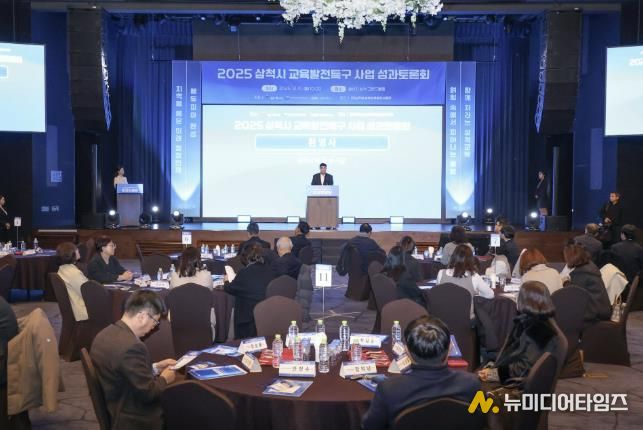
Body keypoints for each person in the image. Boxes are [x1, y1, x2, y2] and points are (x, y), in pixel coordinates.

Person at [362, 315, 480, 430]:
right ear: (450, 348)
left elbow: (370, 426)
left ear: (406, 350)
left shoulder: (389, 389)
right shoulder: (471, 383)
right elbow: (482, 415)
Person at [90, 290, 176, 430]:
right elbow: (149, 393)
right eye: (155, 321)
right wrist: (165, 379)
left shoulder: (105, 334)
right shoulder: (132, 346)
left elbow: (123, 371)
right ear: (142, 317)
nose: (154, 327)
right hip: (136, 418)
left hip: (117, 403)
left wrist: (154, 368)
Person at [478, 281, 561, 384]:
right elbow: (514, 354)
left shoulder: (537, 331)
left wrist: (493, 373)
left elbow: (524, 368)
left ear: (526, 301)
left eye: (519, 296)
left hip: (515, 384)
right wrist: (494, 365)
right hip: (513, 375)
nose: (517, 298)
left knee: (471, 387)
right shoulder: (537, 322)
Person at [224, 243, 275, 338]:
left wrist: (226, 281)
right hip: (267, 314)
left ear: (245, 257)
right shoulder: (271, 270)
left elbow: (230, 289)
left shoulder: (244, 273)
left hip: (247, 319)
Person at [169, 246, 216, 339]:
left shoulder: (174, 276)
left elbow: (171, 294)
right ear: (199, 260)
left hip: (178, 324)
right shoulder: (206, 275)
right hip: (204, 324)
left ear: (182, 260)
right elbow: (210, 294)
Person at [436, 245, 494, 320]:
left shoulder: (441, 273)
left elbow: (438, 293)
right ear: (471, 260)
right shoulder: (474, 276)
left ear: (453, 257)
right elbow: (490, 294)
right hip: (467, 321)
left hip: (442, 320)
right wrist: (476, 292)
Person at [562, 244, 611, 322]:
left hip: (595, 314)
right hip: (602, 309)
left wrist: (565, 283)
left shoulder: (581, 273)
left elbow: (573, 294)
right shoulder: (590, 266)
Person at [56, 242, 90, 321]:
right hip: (81, 310)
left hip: (72, 307)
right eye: (76, 249)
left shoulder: (62, 269)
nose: (78, 250)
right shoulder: (74, 273)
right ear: (71, 253)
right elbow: (88, 293)